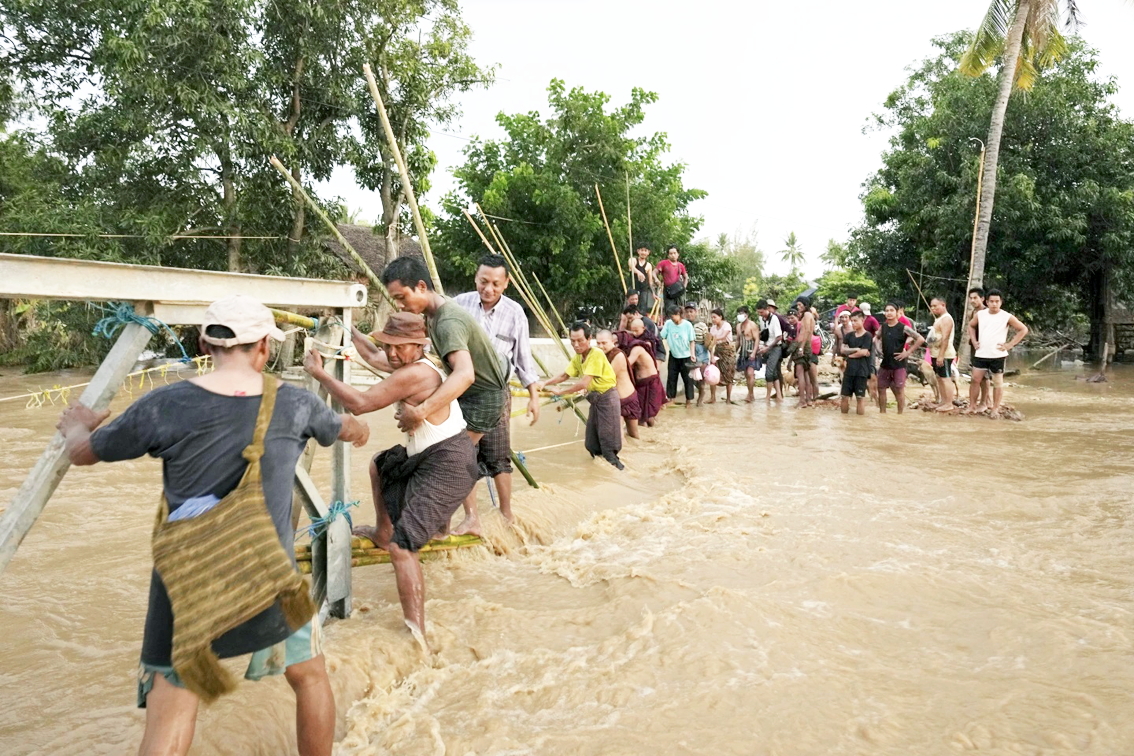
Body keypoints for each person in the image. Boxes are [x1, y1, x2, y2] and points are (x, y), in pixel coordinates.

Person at [57, 294, 369, 756]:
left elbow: (83, 453)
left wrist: (79, 425)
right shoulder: (296, 404)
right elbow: (345, 427)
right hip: (269, 578)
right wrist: (356, 428)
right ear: (264, 347)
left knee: (174, 707)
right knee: (308, 677)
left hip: (188, 585)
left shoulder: (164, 404)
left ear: (205, 344)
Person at [305, 312, 477, 640]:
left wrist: (318, 373)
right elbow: (372, 355)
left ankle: (417, 633)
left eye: (400, 347)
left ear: (420, 345)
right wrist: (346, 327)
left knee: (402, 549)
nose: (393, 353)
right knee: (382, 463)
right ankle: (385, 531)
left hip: (448, 464)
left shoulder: (415, 374)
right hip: (433, 457)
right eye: (390, 346)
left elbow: (360, 404)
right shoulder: (412, 363)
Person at [365, 256, 509, 538]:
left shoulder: (447, 322)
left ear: (421, 287)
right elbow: (387, 360)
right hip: (470, 391)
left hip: (483, 396)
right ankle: (447, 523)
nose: (400, 306)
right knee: (455, 455)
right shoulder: (432, 315)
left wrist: (420, 412)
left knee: (453, 458)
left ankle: (467, 520)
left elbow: (465, 373)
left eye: (401, 297)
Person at [453, 254, 540, 525]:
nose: (488, 289)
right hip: (462, 391)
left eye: (495, 284)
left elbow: (524, 359)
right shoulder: (458, 306)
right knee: (463, 452)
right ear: (476, 278)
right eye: (483, 282)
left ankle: (506, 514)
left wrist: (534, 396)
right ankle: (471, 517)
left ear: (506, 283)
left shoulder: (515, 313)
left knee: (499, 455)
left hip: (498, 393)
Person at [540, 322, 624, 469]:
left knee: (608, 447)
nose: (576, 345)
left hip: (607, 399)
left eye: (580, 340)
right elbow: (565, 375)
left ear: (589, 338)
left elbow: (583, 384)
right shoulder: (579, 357)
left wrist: (560, 392)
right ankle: (598, 478)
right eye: (573, 341)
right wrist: (544, 383)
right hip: (595, 400)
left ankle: (619, 472)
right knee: (592, 445)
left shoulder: (596, 354)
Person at [966, 289, 1029, 418]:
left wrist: (1009, 345)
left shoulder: (1006, 316)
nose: (994, 304)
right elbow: (971, 326)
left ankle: (995, 408)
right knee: (975, 379)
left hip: (998, 355)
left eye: (997, 301)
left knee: (998, 382)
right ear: (987, 302)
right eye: (991, 301)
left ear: (1001, 302)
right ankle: (972, 405)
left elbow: (1023, 329)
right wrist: (974, 341)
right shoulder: (980, 314)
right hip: (981, 353)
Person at [875, 302, 925, 414]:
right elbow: (876, 338)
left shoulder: (903, 328)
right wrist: (878, 350)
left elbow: (920, 339)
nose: (889, 313)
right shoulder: (883, 327)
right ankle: (882, 413)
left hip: (899, 363)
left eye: (891, 310)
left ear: (897, 313)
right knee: (881, 389)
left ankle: (900, 414)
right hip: (885, 362)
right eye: (887, 311)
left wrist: (907, 353)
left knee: (899, 389)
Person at [597, 329, 641, 439]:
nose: (601, 346)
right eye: (598, 343)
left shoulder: (618, 356)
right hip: (614, 401)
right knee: (618, 436)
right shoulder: (600, 356)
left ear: (613, 342)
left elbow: (606, 378)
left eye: (604, 343)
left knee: (633, 434)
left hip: (629, 398)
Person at [628, 317, 666, 426]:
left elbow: (628, 363)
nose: (634, 333)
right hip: (640, 383)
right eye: (632, 330)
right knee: (640, 414)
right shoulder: (634, 341)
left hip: (651, 381)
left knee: (649, 416)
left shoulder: (645, 343)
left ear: (644, 328)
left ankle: (652, 436)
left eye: (637, 330)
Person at [660, 305, 697, 406]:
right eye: (670, 317)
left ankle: (688, 401)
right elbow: (661, 336)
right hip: (674, 355)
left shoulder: (687, 325)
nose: (672, 319)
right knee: (671, 378)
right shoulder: (668, 324)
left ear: (679, 315)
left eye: (673, 317)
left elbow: (692, 341)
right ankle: (671, 399)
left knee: (688, 380)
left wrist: (692, 354)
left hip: (686, 356)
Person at [839, 309, 873, 415]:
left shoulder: (867, 336)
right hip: (849, 370)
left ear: (862, 321)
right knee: (844, 397)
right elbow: (842, 350)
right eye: (852, 321)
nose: (853, 323)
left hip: (862, 371)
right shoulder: (849, 335)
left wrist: (850, 355)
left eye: (855, 321)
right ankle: (844, 420)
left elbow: (864, 352)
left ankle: (860, 422)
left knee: (860, 398)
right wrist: (856, 350)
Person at [927, 296, 957, 411]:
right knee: (939, 377)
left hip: (944, 353)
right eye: (932, 306)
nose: (933, 308)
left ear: (943, 305)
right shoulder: (939, 319)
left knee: (945, 378)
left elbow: (945, 338)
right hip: (935, 352)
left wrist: (941, 355)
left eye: (935, 306)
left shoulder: (946, 319)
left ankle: (949, 403)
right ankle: (943, 401)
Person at [966, 287, 992, 410]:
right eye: (970, 298)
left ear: (982, 299)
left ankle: (984, 402)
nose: (972, 300)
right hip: (975, 347)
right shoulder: (974, 312)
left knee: (984, 376)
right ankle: (983, 401)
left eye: (975, 298)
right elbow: (971, 328)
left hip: (985, 348)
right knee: (977, 377)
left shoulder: (987, 312)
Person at [791, 297, 818, 408]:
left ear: (805, 305)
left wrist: (801, 347)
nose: (798, 307)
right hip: (806, 346)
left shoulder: (807, 315)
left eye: (800, 305)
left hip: (804, 345)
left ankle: (802, 400)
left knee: (800, 374)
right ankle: (808, 399)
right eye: (797, 305)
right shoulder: (808, 315)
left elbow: (807, 331)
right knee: (806, 375)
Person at [756, 300, 784, 401]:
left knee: (769, 373)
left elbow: (779, 337)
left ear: (767, 309)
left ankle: (768, 396)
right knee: (774, 372)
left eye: (762, 312)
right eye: (758, 312)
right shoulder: (761, 319)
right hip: (766, 347)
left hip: (775, 348)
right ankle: (779, 396)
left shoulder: (775, 319)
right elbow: (764, 333)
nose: (760, 314)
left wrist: (768, 348)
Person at [706, 308, 734, 404]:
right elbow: (711, 343)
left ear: (720, 317)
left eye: (715, 317)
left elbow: (722, 336)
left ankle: (728, 398)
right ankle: (712, 397)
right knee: (712, 373)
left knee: (728, 374)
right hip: (716, 351)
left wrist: (711, 338)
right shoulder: (712, 328)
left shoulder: (727, 325)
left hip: (727, 352)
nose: (713, 319)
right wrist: (711, 355)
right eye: (712, 317)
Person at [734, 305, 760, 403]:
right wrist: (734, 352)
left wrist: (753, 353)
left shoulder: (752, 325)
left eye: (742, 313)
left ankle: (751, 394)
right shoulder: (738, 326)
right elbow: (738, 340)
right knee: (746, 375)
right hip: (743, 353)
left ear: (747, 314)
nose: (740, 315)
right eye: (739, 314)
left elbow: (757, 339)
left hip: (751, 352)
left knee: (750, 373)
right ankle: (749, 393)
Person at [685, 303, 710, 406]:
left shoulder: (702, 325)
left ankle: (700, 397)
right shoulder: (684, 324)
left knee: (701, 378)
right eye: (687, 312)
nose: (689, 314)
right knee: (690, 377)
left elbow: (708, 340)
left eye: (691, 311)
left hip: (701, 352)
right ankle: (691, 399)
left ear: (696, 312)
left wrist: (711, 355)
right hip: (687, 351)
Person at [655, 245, 689, 313]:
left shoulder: (680, 265)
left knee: (679, 310)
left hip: (678, 291)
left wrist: (684, 288)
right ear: (668, 255)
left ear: (678, 254)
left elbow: (686, 277)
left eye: (674, 253)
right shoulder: (663, 263)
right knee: (669, 310)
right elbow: (654, 272)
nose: (673, 255)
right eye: (671, 253)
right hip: (668, 291)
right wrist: (656, 279)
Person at [859, 302, 881, 402]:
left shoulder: (872, 319)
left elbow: (878, 332)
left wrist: (874, 339)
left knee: (871, 365)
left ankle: (872, 389)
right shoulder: (858, 319)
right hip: (859, 345)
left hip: (870, 345)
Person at [628, 244, 656, 314]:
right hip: (633, 288)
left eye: (645, 251)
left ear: (648, 252)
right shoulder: (633, 260)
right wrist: (638, 272)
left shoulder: (649, 265)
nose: (643, 252)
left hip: (644, 290)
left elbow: (650, 281)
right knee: (631, 308)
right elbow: (632, 267)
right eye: (642, 250)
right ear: (638, 251)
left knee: (642, 309)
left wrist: (653, 293)